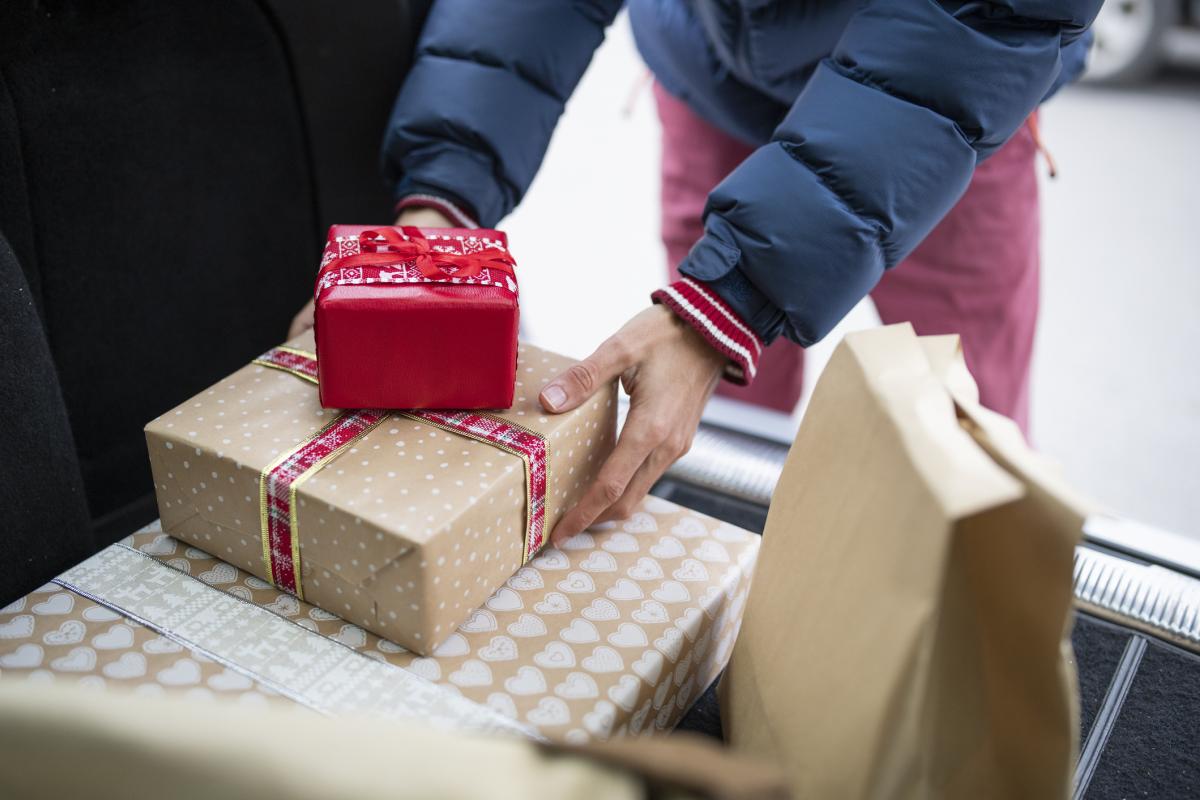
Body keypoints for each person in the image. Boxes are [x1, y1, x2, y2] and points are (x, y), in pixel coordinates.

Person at [289, 0, 1101, 545]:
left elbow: (996, 14)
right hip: (709, 75)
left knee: (964, 423)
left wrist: (729, 297)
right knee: (703, 419)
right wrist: (443, 194)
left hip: (936, 119)